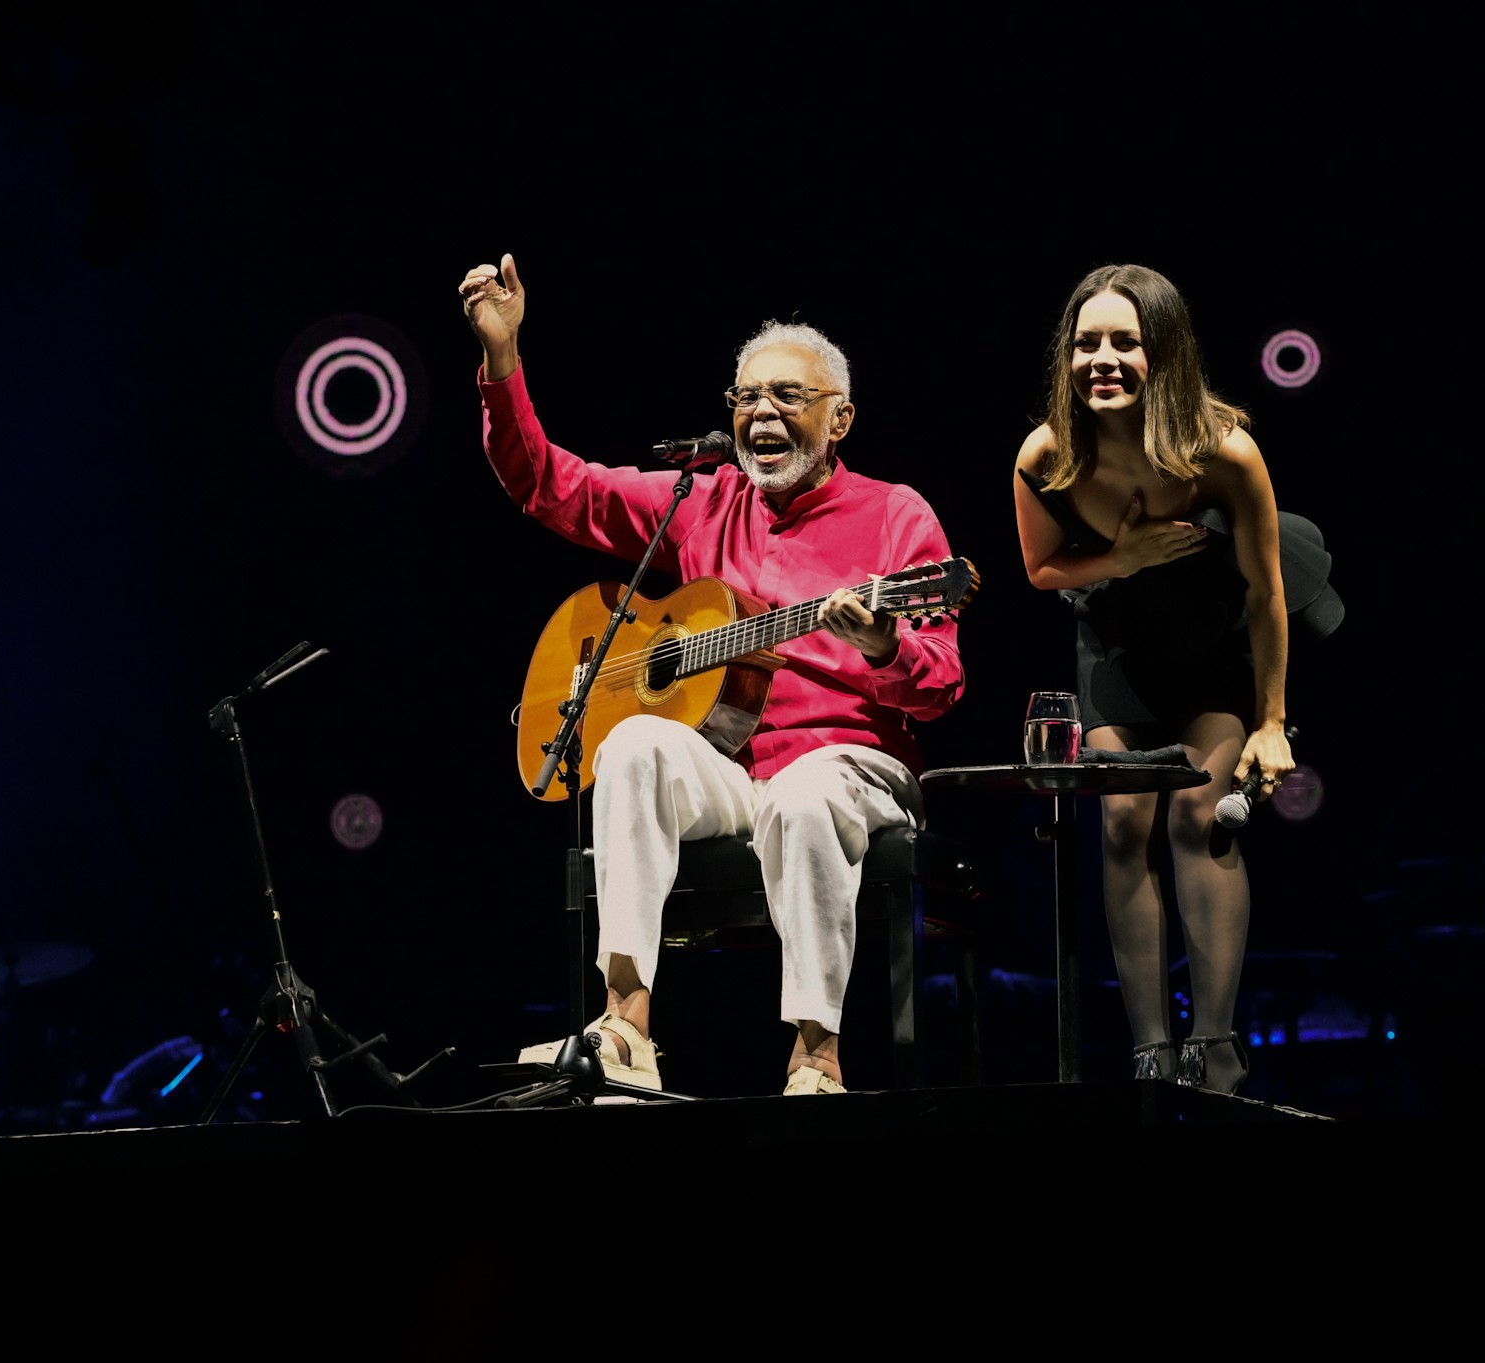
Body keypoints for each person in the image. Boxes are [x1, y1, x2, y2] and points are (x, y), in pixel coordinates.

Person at [460, 252, 965, 1095]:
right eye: (746, 397)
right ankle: (626, 1027)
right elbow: (548, 483)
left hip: (849, 767)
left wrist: (883, 646)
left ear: (839, 419)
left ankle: (816, 1057)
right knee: (630, 746)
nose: (761, 412)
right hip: (734, 768)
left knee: (805, 795)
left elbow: (942, 683)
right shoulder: (700, 501)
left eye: (787, 397)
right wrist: (502, 359)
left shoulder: (895, 514)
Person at [1012, 264, 1339, 1094]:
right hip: (1119, 639)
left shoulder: (1225, 452)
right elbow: (1043, 569)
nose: (1104, 358)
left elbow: (1267, 595)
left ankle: (1217, 1045)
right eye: (1088, 343)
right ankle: (1151, 1052)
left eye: (1126, 341)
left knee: (1200, 813)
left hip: (1213, 638)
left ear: (1165, 352)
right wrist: (1122, 556)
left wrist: (1272, 719)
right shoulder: (1047, 452)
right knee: (1123, 823)